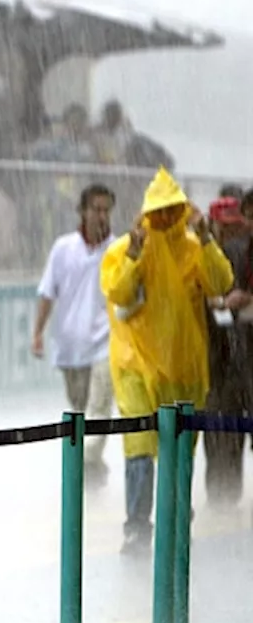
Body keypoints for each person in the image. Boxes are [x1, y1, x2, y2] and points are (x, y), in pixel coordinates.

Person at [101, 167, 233, 555]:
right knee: (139, 444)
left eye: (170, 211)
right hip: (134, 363)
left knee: (178, 450)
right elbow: (119, 293)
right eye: (157, 211)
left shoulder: (194, 249)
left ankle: (176, 520)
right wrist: (135, 255)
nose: (162, 219)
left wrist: (206, 237)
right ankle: (138, 528)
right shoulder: (124, 250)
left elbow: (221, 283)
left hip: (183, 369)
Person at [31, 184, 117, 486]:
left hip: (106, 346)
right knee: (80, 414)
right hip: (70, 348)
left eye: (106, 209)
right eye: (96, 208)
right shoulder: (63, 248)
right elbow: (47, 292)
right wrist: (38, 332)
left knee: (99, 410)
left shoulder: (118, 250)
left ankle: (80, 469)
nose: (101, 216)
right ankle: (91, 474)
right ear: (82, 211)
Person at [202, 194, 253, 508]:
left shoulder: (243, 253)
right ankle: (222, 500)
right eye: (229, 228)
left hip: (241, 359)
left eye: (239, 226)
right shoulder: (203, 257)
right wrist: (223, 303)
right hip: (216, 362)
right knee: (221, 434)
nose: (236, 233)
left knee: (229, 430)